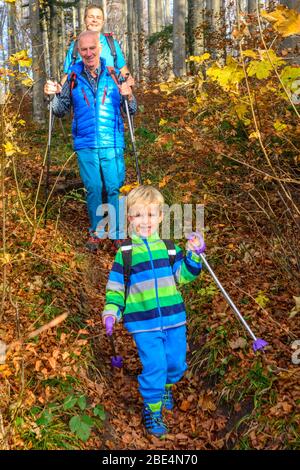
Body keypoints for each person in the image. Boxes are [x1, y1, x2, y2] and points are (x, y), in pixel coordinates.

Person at [102, 185, 205, 437]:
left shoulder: (169, 248)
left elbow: (185, 275)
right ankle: (152, 407)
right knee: (156, 365)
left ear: (160, 216)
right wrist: (111, 311)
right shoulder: (125, 253)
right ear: (130, 219)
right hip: (144, 323)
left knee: (176, 363)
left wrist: (193, 256)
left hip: (174, 320)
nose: (144, 221)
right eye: (138, 215)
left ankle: (167, 385)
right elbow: (116, 288)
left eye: (150, 215)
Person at [44, 30, 137, 251]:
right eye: (83, 49)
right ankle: (97, 232)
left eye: (92, 48)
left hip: (112, 140)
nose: (88, 53)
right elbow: (59, 110)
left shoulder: (115, 75)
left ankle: (117, 233)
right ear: (78, 51)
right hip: (85, 142)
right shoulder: (73, 77)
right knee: (94, 187)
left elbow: (132, 110)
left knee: (114, 187)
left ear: (100, 48)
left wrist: (129, 95)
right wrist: (52, 95)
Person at [61, 3, 132, 85]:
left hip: (110, 95)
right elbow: (67, 77)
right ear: (85, 20)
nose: (95, 20)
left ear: (102, 22)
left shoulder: (112, 44)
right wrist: (56, 90)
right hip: (82, 95)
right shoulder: (75, 45)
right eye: (91, 17)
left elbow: (124, 72)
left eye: (98, 17)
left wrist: (128, 88)